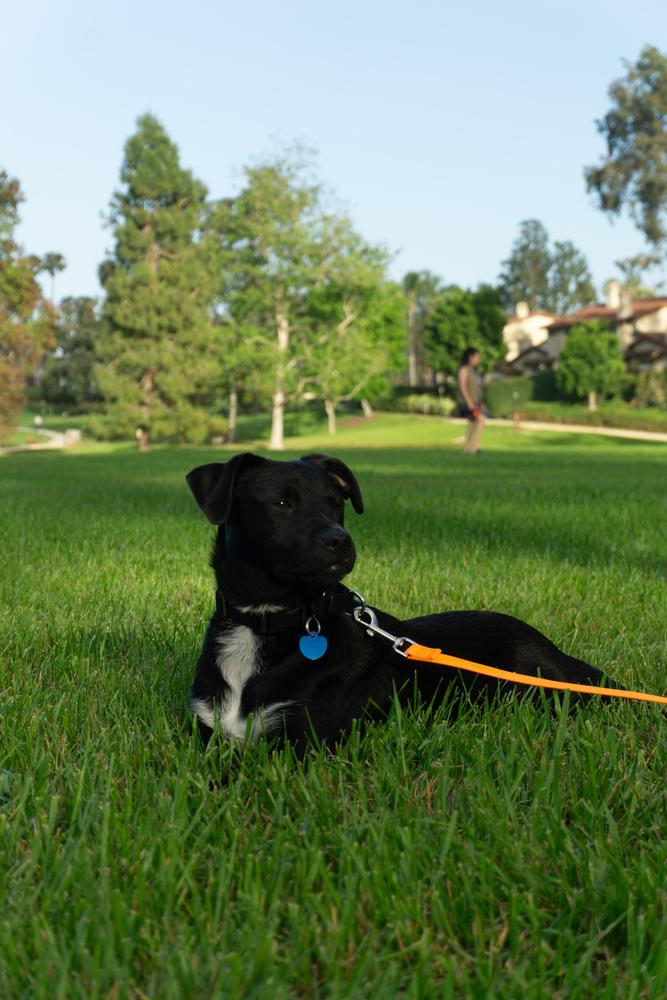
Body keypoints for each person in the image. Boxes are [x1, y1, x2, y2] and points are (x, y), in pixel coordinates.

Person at [456, 347, 486, 454]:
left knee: (471, 424)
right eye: (477, 357)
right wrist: (469, 402)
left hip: (474, 403)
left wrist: (480, 403)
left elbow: (477, 389)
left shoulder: (474, 371)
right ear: (470, 357)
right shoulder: (464, 370)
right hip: (467, 404)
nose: (479, 359)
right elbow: (462, 386)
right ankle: (474, 446)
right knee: (481, 420)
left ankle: (465, 448)